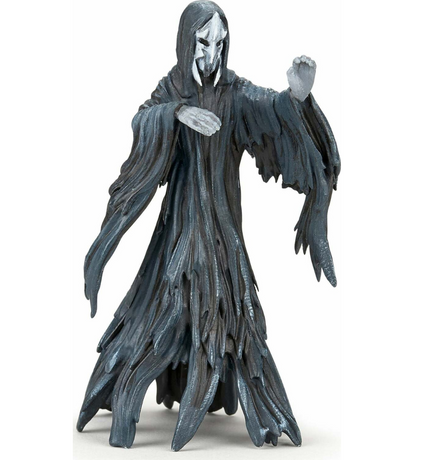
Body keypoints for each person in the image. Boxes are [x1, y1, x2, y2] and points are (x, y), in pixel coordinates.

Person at [77, 0, 340, 451]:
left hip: (222, 229)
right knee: (161, 307)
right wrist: (176, 114)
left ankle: (260, 406)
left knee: (231, 312)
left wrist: (295, 96)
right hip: (178, 229)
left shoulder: (234, 93)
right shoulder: (172, 87)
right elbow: (143, 117)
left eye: (220, 42)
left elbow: (268, 108)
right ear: (187, 41)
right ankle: (128, 391)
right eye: (203, 42)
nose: (211, 52)